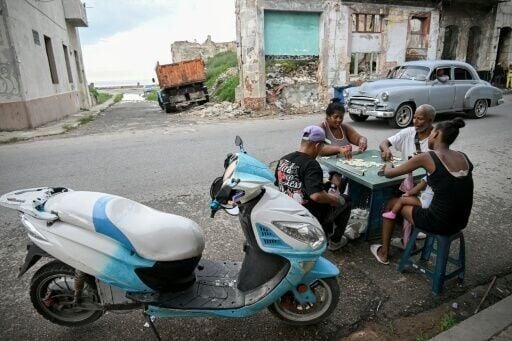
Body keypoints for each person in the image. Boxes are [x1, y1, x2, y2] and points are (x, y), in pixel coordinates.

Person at [370, 118, 473, 265]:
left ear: (436, 134)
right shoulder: (463, 156)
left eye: (432, 133)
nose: (429, 136)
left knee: (392, 204)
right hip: (460, 221)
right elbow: (443, 181)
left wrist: (388, 163)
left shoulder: (427, 157)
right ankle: (406, 239)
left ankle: (384, 253)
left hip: (438, 222)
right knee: (413, 199)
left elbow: (389, 173)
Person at [275, 125, 352, 251]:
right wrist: (335, 200)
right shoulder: (311, 164)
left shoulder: (284, 159)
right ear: (317, 146)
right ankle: (335, 242)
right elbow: (316, 195)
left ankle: (329, 230)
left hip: (289, 210)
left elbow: (279, 183)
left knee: (329, 187)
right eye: (321, 147)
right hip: (309, 217)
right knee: (346, 200)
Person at [379, 104, 437, 248]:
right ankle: (407, 227)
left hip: (425, 188)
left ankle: (405, 235)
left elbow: (389, 173)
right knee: (392, 191)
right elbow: (384, 142)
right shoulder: (409, 132)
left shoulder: (435, 139)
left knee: (393, 202)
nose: (415, 121)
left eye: (420, 119)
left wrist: (388, 166)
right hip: (410, 182)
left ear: (430, 121)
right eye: (414, 118)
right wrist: (386, 149)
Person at [318, 98, 368, 194]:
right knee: (334, 189)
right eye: (335, 117)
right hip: (325, 168)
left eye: (341, 117)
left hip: (343, 167)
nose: (339, 120)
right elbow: (320, 149)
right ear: (328, 116)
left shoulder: (344, 128)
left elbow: (358, 138)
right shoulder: (321, 128)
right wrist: (339, 149)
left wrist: (363, 141)